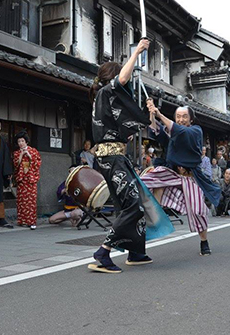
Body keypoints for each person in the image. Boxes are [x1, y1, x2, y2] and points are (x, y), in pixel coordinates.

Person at [88, 38, 173, 274]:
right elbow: (123, 79)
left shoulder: (104, 100)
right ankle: (102, 253)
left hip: (115, 158)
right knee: (132, 205)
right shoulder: (106, 92)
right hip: (111, 158)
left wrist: (151, 113)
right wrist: (136, 53)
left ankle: (136, 252)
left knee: (140, 201)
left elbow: (134, 126)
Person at [146, 98, 221, 255]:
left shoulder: (195, 131)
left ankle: (204, 241)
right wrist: (152, 114)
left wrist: (159, 114)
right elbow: (157, 132)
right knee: (150, 178)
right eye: (178, 116)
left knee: (198, 210)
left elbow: (179, 131)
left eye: (184, 116)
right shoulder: (173, 134)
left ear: (191, 119)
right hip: (173, 173)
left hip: (190, 177)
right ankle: (155, 213)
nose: (180, 119)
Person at [13, 131, 41, 230]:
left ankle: (31, 221)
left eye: (22, 141)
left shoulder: (33, 151)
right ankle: (21, 220)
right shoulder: (16, 153)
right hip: (22, 179)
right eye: (19, 141)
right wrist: (21, 156)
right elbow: (16, 166)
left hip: (31, 179)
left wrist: (29, 156)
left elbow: (38, 164)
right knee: (21, 201)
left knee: (31, 201)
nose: (21, 143)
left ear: (26, 141)